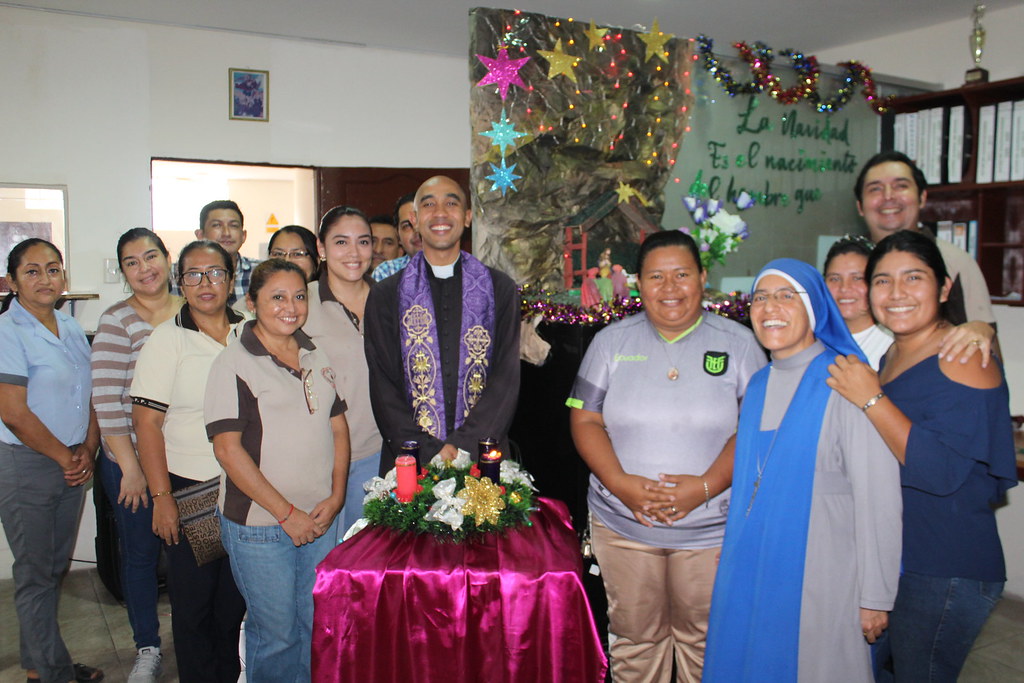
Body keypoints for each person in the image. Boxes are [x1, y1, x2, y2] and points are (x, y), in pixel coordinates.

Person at [567, 230, 766, 681]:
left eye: (682, 274)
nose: (670, 287)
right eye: (656, 276)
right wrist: (620, 484)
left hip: (711, 530)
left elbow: (755, 430)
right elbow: (584, 420)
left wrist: (703, 488)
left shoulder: (740, 345)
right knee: (636, 640)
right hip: (622, 527)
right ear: (638, 283)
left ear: (703, 277)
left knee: (708, 642)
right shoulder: (609, 343)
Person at [826, 230, 1017, 681]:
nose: (896, 294)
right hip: (902, 556)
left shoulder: (965, 354)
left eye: (913, 278)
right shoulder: (893, 352)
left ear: (945, 287)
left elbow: (940, 470)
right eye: (882, 281)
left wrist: (873, 400)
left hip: (945, 565)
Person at [703, 258, 902, 683]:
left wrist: (876, 595)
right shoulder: (757, 384)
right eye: (760, 297)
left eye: (785, 296)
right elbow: (752, 480)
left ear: (814, 309)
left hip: (822, 571)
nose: (769, 307)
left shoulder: (845, 377)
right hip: (751, 563)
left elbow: (879, 495)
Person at [205, 259, 350, 681]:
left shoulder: (314, 351)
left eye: (299, 296)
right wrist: (288, 515)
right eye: (277, 297)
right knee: (277, 635)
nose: (291, 306)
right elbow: (229, 452)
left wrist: (337, 496)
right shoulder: (233, 363)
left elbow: (338, 428)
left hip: (320, 519)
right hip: (262, 526)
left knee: (312, 626)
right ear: (252, 303)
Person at [131, 240, 247, 683]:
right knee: (194, 607)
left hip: (244, 490)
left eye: (215, 273)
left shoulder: (249, 329)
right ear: (180, 281)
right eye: (193, 274)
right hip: (189, 489)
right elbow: (146, 424)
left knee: (235, 603)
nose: (205, 283)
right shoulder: (167, 338)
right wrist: (162, 497)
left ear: (231, 278)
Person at [0, 239, 104, 683]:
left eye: (53, 269)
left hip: (71, 461)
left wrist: (89, 448)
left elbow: (90, 394)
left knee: (51, 569)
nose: (45, 279)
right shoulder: (8, 331)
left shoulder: (71, 325)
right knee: (36, 574)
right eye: (32, 271)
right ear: (12, 280)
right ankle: (53, 672)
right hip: (28, 465)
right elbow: (13, 411)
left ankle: (38, 665)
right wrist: (68, 457)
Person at [364, 176, 519, 473]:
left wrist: (464, 447)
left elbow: (506, 379)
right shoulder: (385, 296)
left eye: (451, 203)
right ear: (415, 219)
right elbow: (383, 386)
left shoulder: (500, 289)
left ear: (468, 217)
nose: (440, 213)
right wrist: (428, 450)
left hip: (482, 455)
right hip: (410, 459)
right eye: (429, 204)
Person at [91, 228, 182, 683]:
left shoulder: (193, 309)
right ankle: (147, 645)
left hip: (186, 459)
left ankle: (193, 635)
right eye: (132, 262)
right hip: (131, 460)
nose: (145, 268)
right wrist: (130, 468)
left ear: (167, 258)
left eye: (151, 256)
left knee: (191, 555)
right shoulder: (117, 320)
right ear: (124, 272)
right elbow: (107, 401)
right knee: (142, 555)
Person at [854, 151, 996, 363]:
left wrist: (981, 329)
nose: (888, 196)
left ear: (922, 198)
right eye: (875, 189)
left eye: (900, 186)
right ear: (860, 206)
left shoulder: (955, 261)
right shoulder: (846, 263)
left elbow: (986, 342)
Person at [302, 206, 382, 535]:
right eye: (340, 242)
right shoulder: (300, 303)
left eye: (362, 242)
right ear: (321, 249)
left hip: (377, 455)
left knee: (366, 561)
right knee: (322, 565)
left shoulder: (390, 301)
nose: (353, 253)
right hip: (318, 459)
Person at [824, 235, 893, 369]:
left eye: (857, 278)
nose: (844, 288)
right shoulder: (812, 339)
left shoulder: (893, 342)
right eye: (834, 279)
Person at [172, 200, 259, 305]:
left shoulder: (261, 272)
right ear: (200, 235)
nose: (226, 233)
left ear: (243, 235)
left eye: (233, 225)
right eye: (217, 225)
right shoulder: (175, 273)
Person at [371, 193, 417, 282]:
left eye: (422, 222)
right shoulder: (386, 271)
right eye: (407, 226)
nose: (417, 231)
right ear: (398, 234)